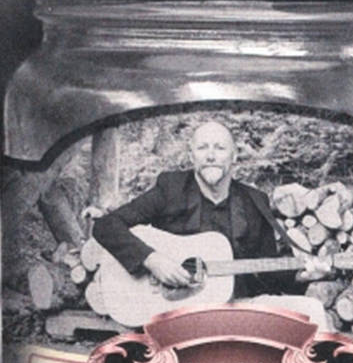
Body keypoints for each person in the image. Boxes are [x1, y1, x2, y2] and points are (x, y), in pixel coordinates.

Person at [92, 121, 327, 306]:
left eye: (220, 148)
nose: (211, 156)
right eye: (203, 148)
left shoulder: (254, 201)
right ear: (192, 155)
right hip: (175, 309)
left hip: (236, 306)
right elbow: (105, 226)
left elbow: (267, 275)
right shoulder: (171, 189)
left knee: (311, 309)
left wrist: (301, 276)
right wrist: (153, 260)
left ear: (234, 156)